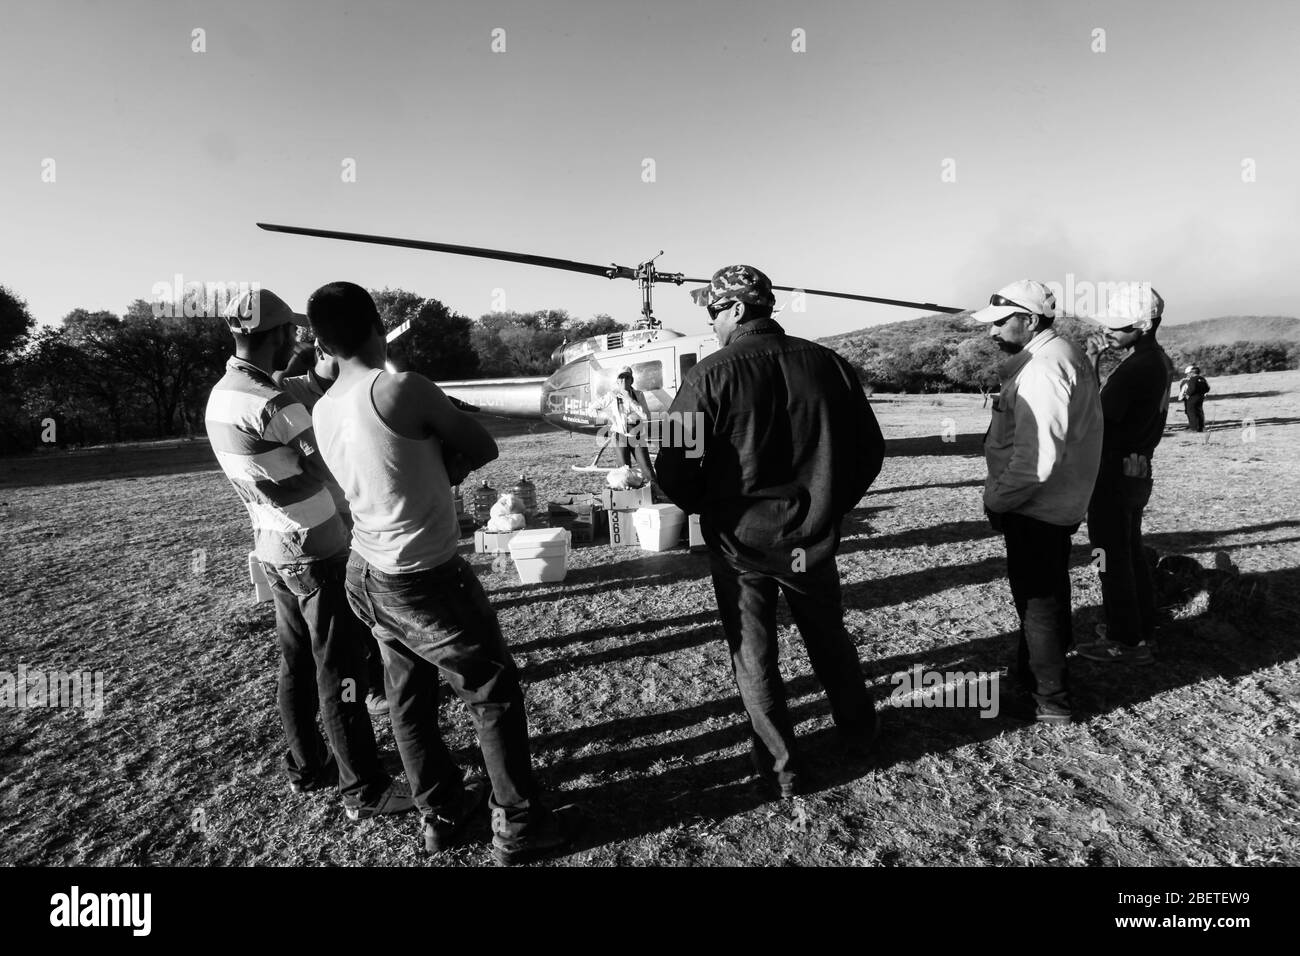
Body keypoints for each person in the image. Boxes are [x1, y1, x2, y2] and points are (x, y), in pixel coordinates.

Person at [307, 281, 581, 862]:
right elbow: (483, 447)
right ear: (378, 326)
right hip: (423, 576)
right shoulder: (404, 387)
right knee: (492, 691)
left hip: (366, 570)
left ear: (320, 342)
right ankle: (519, 823)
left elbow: (387, 466)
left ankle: (443, 814)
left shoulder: (324, 406)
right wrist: (440, 468)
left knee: (409, 698)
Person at [656, 264, 885, 800]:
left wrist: (711, 512)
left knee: (754, 653)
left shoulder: (704, 376)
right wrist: (830, 506)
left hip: (742, 545)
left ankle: (782, 769)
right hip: (813, 540)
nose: (712, 324)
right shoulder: (832, 364)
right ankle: (860, 731)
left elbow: (671, 464)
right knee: (829, 634)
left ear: (735, 310)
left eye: (713, 312)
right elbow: (870, 451)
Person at [204, 288, 412, 819]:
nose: (297, 337)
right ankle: (363, 789)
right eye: (290, 331)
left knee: (296, 663)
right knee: (338, 670)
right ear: (275, 334)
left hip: (273, 547)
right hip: (315, 549)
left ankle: (307, 764)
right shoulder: (275, 401)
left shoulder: (223, 393)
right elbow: (333, 465)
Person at [974, 279, 1103, 724]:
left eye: (1000, 323)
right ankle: (1032, 678)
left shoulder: (1044, 369)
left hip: (1037, 506)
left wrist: (998, 499)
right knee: (1047, 592)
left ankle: (1051, 699)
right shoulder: (1060, 354)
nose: (991, 333)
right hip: (1057, 502)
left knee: (1037, 602)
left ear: (1029, 320)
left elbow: (1036, 460)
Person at [277, 340, 390, 716]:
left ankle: (381, 675)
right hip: (324, 515)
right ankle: (372, 684)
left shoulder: (362, 387)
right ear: (323, 351)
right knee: (346, 610)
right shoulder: (290, 390)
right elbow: (266, 381)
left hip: (364, 507)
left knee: (370, 598)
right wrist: (302, 349)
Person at [1075, 285, 1175, 665]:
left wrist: (1091, 362)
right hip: (1137, 466)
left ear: (1145, 325)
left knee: (1106, 556)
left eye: (1119, 325)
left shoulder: (1136, 368)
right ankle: (1140, 628)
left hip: (1113, 470)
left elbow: (1091, 416)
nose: (1110, 331)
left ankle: (1124, 639)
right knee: (1129, 552)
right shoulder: (1158, 360)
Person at [591, 366, 656, 484]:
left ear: (632, 380)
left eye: (627, 378)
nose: (623, 381)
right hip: (619, 436)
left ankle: (655, 493)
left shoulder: (638, 395)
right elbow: (592, 409)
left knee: (647, 470)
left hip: (636, 436)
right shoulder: (612, 395)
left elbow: (646, 416)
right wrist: (609, 417)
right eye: (620, 379)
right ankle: (630, 496)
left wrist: (630, 399)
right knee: (624, 472)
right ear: (617, 381)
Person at [1177, 365, 1210, 432]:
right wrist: (1202, 393)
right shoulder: (1202, 378)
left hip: (1192, 398)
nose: (1189, 374)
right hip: (1200, 397)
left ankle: (1193, 428)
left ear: (1192, 373)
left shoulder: (1193, 379)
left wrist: (1186, 396)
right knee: (1199, 412)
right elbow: (1207, 388)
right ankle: (1201, 427)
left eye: (1190, 373)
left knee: (1191, 413)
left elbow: (1192, 389)